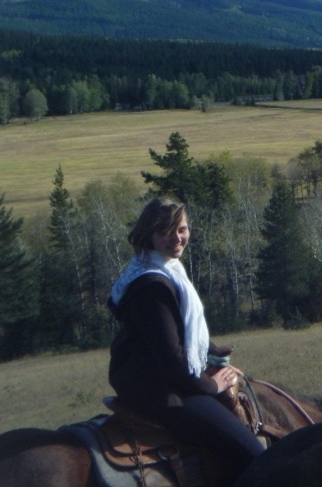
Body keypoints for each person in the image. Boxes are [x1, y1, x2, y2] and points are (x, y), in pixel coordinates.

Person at [108, 197, 264, 482]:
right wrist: (210, 384)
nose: (177, 238)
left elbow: (185, 334)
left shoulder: (161, 269)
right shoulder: (152, 285)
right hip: (161, 391)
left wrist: (217, 359)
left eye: (181, 229)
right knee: (255, 456)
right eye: (166, 231)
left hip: (151, 380)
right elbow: (173, 360)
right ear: (149, 235)